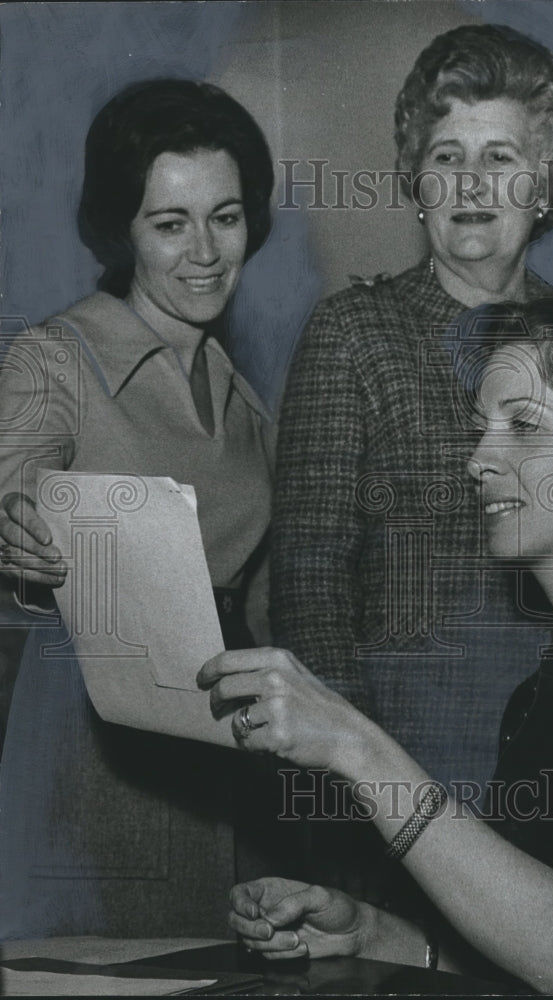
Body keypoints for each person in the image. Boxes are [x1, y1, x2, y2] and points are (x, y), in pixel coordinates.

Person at [200, 284, 553, 992]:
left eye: (524, 426)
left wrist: (355, 746)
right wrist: (369, 931)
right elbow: (524, 940)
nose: (477, 460)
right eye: (482, 427)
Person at [271, 22, 553, 807]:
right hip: (400, 754)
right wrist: (350, 774)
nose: (471, 186)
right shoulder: (353, 331)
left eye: (499, 159)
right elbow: (309, 580)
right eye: (447, 159)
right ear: (417, 183)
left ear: (545, 186)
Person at [0, 79, 278, 937]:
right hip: (95, 756)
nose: (203, 251)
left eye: (225, 218)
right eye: (170, 223)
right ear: (122, 230)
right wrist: (16, 532)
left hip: (226, 762)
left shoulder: (245, 399)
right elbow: (16, 482)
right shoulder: (52, 360)